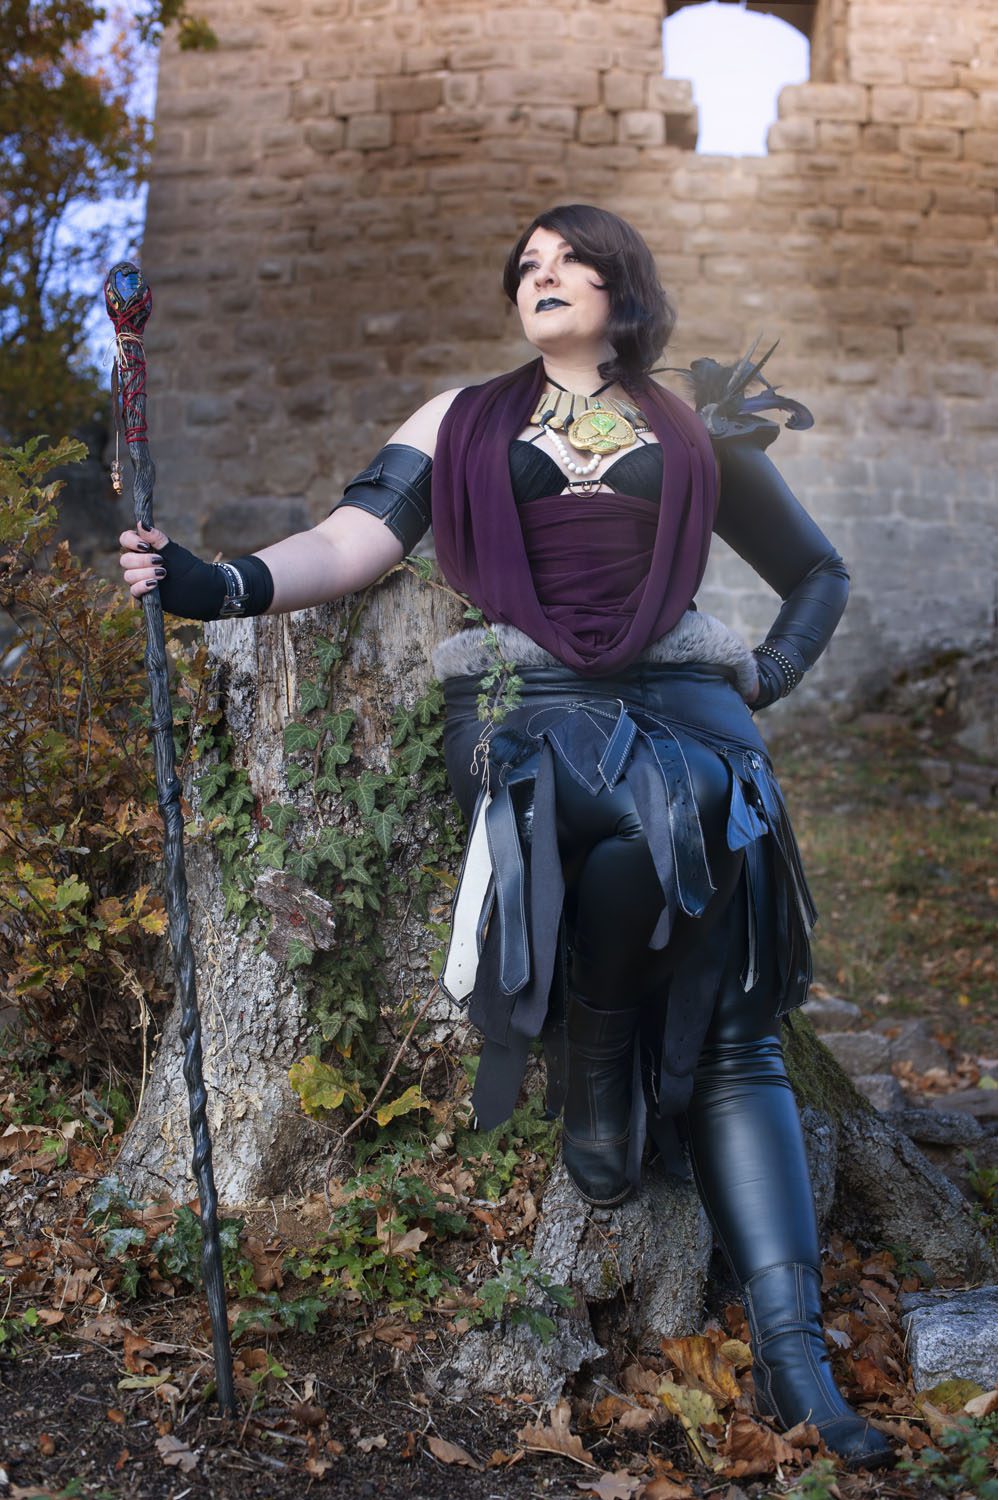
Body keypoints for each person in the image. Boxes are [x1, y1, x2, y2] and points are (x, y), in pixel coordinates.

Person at [118, 204, 893, 1470]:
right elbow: (353, 541)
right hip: (524, 709)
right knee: (647, 802)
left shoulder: (688, 425)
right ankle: (600, 1056)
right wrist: (221, 584)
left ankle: (794, 1360)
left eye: (567, 258)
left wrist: (768, 673)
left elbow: (818, 572)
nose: (540, 275)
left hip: (690, 706)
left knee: (733, 1017)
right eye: (525, 264)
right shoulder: (460, 419)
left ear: (623, 286)